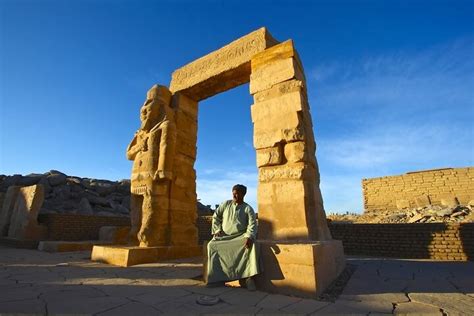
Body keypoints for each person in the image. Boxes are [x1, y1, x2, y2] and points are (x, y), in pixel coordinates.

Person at [126, 84, 177, 246]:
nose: (145, 109)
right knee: (135, 203)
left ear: (161, 107)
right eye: (144, 105)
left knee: (151, 201)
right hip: (136, 172)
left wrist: (164, 169)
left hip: (152, 171)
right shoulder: (140, 133)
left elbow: (166, 147)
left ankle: (148, 231)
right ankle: (135, 229)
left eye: (150, 105)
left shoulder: (165, 125)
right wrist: (139, 146)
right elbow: (128, 154)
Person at [206, 184, 259, 291]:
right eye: (233, 193)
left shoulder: (248, 208)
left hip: (240, 237)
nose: (235, 196)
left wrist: (249, 236)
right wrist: (217, 230)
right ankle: (216, 278)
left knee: (252, 247)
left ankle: (248, 278)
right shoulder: (226, 204)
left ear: (243, 194)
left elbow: (252, 224)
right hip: (224, 237)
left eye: (237, 193)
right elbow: (216, 216)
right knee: (211, 245)